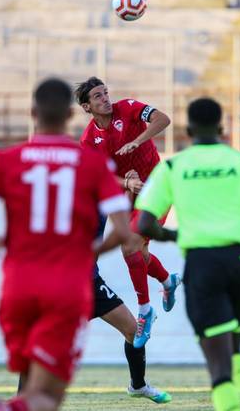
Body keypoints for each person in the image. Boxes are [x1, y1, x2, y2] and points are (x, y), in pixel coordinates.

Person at [0, 78, 132, 411]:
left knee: (30, 385)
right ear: (72, 114)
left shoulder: (4, 160)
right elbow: (123, 231)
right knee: (45, 398)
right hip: (66, 288)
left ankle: (13, 404)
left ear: (32, 113)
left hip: (17, 287)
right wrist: (91, 251)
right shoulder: (93, 164)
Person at [135, 98, 240, 411]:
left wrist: (175, 235)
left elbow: (145, 222)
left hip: (203, 263)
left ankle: (232, 401)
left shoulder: (173, 167)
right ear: (222, 128)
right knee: (235, 344)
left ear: (187, 130)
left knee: (216, 358)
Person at [17, 217, 172, 404]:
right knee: (44, 345)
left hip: (91, 282)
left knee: (133, 330)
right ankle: (22, 400)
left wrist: (129, 187)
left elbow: (122, 215)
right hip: (63, 283)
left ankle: (138, 385)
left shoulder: (102, 195)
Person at [75, 77, 181, 349]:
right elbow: (99, 178)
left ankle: (145, 310)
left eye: (106, 93)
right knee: (138, 254)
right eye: (98, 97)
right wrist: (127, 183)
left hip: (158, 186)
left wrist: (137, 140)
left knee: (129, 245)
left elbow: (163, 120)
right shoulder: (89, 140)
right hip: (129, 192)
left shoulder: (129, 107)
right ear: (87, 107)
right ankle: (168, 280)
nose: (105, 99)